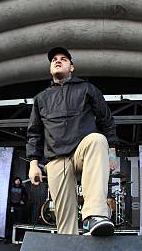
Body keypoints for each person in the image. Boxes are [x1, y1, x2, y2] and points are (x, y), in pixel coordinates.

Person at [27, 47, 118, 236]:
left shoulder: (87, 88)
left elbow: (106, 121)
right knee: (65, 222)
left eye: (63, 59)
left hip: (81, 153)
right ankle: (70, 249)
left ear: (72, 67)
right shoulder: (41, 98)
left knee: (97, 139)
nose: (57, 61)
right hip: (56, 159)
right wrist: (34, 164)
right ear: (50, 68)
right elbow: (35, 133)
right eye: (54, 60)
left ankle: (95, 215)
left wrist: (112, 154)